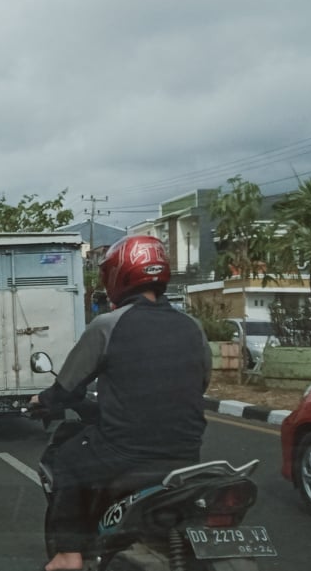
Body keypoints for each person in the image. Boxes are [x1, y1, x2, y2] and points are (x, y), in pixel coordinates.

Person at [30, 235, 211, 571]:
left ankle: (69, 554)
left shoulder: (108, 325)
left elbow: (68, 388)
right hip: (186, 455)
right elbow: (202, 382)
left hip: (124, 453)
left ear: (118, 276)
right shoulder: (193, 327)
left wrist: (42, 400)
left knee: (67, 458)